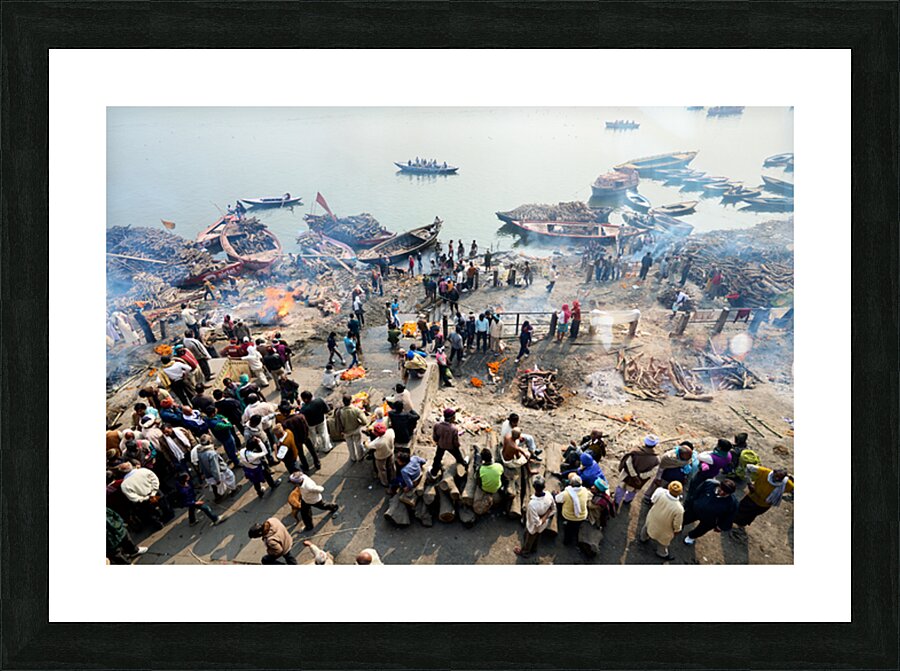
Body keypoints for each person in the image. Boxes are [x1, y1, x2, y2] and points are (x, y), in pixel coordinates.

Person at [682, 478, 739, 544]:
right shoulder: (709, 484)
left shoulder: (732, 503)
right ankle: (679, 527)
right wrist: (690, 503)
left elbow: (730, 517)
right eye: (721, 489)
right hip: (695, 510)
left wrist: (721, 526)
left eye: (725, 493)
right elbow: (696, 493)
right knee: (684, 518)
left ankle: (691, 536)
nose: (722, 493)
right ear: (719, 485)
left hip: (710, 520)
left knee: (701, 530)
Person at [614, 435, 661, 509]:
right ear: (654, 445)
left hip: (627, 475)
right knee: (632, 491)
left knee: (621, 488)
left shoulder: (635, 451)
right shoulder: (656, 459)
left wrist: (634, 475)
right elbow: (653, 471)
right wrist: (641, 476)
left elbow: (628, 463)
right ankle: (627, 501)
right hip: (639, 480)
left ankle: (616, 502)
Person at [513, 476, 555, 557]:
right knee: (538, 535)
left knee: (529, 537)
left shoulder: (532, 504)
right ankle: (534, 549)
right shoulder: (549, 496)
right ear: (544, 486)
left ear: (534, 487)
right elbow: (553, 509)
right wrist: (547, 514)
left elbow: (537, 523)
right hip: (544, 523)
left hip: (533, 525)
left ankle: (525, 552)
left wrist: (545, 515)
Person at [641, 481, 684, 559]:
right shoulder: (679, 509)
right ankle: (662, 553)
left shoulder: (660, 492)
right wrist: (677, 530)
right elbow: (677, 524)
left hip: (652, 517)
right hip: (665, 529)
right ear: (680, 493)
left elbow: (652, 500)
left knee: (647, 527)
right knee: (663, 542)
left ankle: (643, 538)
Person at [430, 408, 468, 476]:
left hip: (441, 445)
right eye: (454, 417)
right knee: (459, 457)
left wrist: (439, 442)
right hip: (451, 446)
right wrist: (457, 447)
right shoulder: (454, 429)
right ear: (452, 418)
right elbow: (455, 442)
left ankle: (433, 472)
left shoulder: (437, 425)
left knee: (437, 458)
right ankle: (465, 466)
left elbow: (435, 437)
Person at [555, 473, 590, 546]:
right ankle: (575, 536)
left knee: (568, 530)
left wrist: (557, 494)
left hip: (569, 516)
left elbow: (557, 499)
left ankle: (567, 542)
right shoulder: (585, 490)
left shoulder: (566, 493)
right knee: (576, 527)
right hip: (582, 516)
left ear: (571, 484)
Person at [336, 394, 368, 463]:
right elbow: (365, 421)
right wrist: (360, 424)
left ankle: (353, 458)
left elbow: (338, 423)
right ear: (351, 401)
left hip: (346, 432)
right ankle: (360, 457)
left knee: (350, 445)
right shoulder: (356, 410)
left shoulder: (339, 412)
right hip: (356, 429)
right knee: (358, 443)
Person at [299, 390, 332, 455]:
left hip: (311, 424)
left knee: (313, 436)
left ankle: (315, 447)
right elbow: (327, 410)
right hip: (321, 420)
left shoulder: (304, 409)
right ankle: (327, 447)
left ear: (305, 399)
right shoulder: (320, 400)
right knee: (324, 433)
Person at [367, 422, 396, 487]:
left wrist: (365, 442)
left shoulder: (377, 442)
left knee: (382, 470)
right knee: (391, 466)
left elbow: (368, 446)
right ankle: (393, 478)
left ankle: (385, 483)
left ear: (376, 433)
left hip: (381, 457)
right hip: (390, 451)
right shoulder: (390, 432)